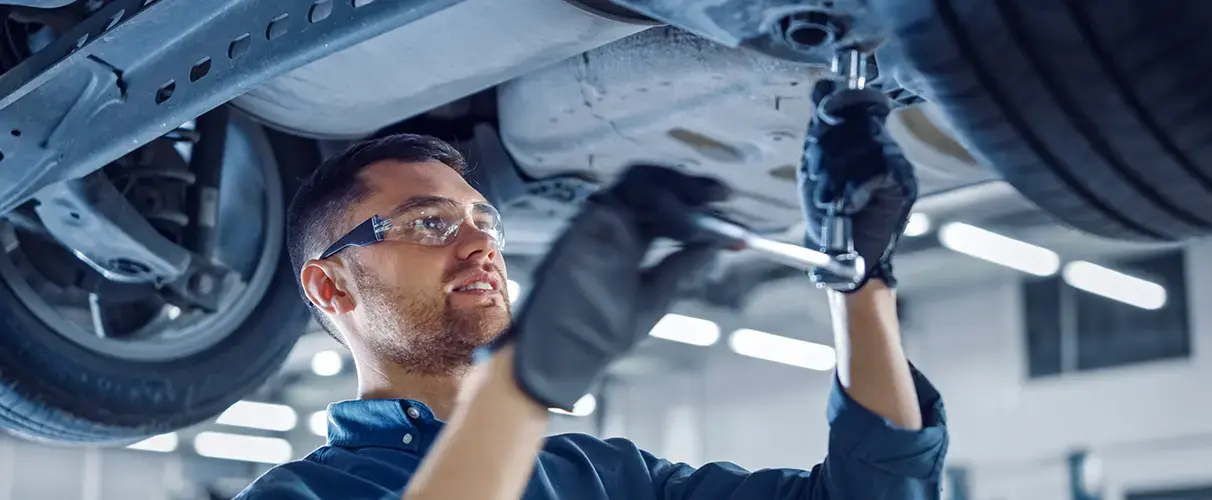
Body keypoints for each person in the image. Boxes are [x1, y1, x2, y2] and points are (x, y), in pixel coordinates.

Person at [235, 79, 947, 500]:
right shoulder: (300, 496)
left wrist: (861, 277)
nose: (480, 243)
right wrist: (519, 384)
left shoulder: (608, 478)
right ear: (329, 286)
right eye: (428, 222)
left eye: (487, 221)